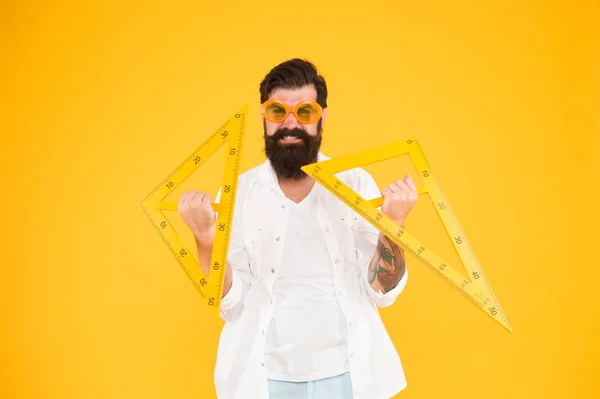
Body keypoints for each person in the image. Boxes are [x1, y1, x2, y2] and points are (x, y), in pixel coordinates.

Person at [177, 58, 418, 399]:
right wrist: (204, 238)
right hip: (262, 380)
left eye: (305, 112)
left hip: (349, 377)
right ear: (264, 116)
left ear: (322, 116)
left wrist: (394, 224)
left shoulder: (355, 183)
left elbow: (382, 290)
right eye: (278, 111)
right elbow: (229, 303)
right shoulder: (238, 193)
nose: (290, 123)